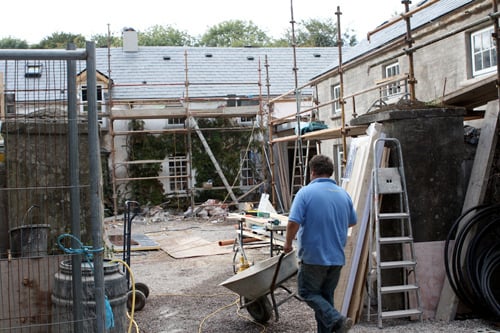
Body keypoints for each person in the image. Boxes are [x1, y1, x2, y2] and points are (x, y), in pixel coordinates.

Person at [283, 154, 357, 333]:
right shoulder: (343, 194)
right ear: (330, 172)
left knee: (307, 293)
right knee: (325, 299)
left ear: (312, 172)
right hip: (337, 258)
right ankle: (333, 323)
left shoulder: (305, 192)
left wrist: (287, 245)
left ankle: (337, 319)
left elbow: (293, 222)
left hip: (314, 257)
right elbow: (352, 221)